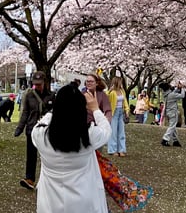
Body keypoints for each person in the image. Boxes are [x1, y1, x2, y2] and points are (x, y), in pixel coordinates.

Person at [31, 83, 111, 213]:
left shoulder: (41, 136)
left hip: (49, 203)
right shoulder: (89, 136)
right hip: (83, 202)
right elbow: (106, 130)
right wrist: (95, 109)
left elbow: (40, 123)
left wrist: (55, 110)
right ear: (82, 109)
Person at [15, 70, 54, 191]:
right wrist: (20, 128)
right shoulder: (29, 95)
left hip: (46, 130)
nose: (37, 86)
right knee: (31, 155)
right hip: (32, 129)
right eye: (35, 83)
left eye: (39, 83)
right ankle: (29, 179)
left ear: (44, 82)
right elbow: (25, 113)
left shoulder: (52, 96)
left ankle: (47, 180)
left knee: (47, 155)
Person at [106, 76, 128, 156]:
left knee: (121, 132)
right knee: (113, 132)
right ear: (117, 82)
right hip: (113, 113)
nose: (121, 83)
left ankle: (121, 150)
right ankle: (113, 150)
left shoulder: (122, 91)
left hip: (120, 112)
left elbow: (125, 101)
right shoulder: (112, 92)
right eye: (120, 81)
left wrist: (127, 110)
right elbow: (106, 98)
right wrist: (109, 90)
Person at [160, 82, 184, 147]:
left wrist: (177, 88)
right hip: (173, 112)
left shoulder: (165, 94)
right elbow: (182, 96)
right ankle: (165, 139)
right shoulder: (171, 95)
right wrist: (182, 88)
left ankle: (175, 141)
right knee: (172, 126)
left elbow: (173, 92)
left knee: (173, 126)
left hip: (168, 112)